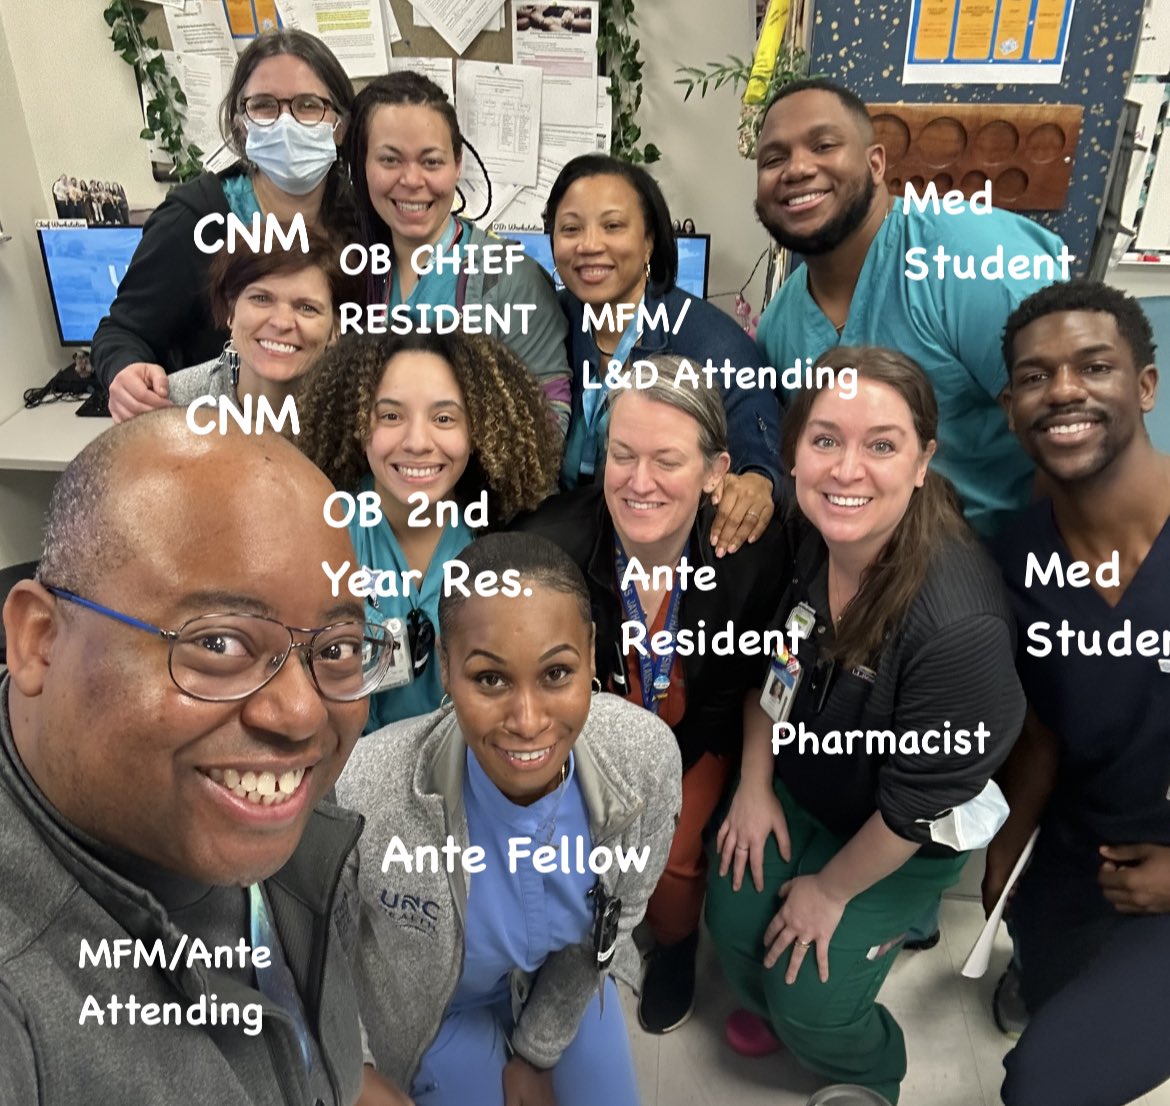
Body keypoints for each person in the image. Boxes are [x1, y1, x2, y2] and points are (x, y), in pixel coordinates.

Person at [0, 409, 400, 1104]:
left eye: (336, 648)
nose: (301, 713)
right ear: (39, 639)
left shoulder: (240, 780)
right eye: (218, 643)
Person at [705, 346, 1025, 1105]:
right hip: (804, 783)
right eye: (825, 440)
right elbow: (770, 669)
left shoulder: (956, 625)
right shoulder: (809, 536)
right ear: (792, 455)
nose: (847, 470)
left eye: (882, 444)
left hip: (900, 836)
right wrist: (753, 786)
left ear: (923, 462)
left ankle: (867, 1067)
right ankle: (774, 1012)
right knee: (734, 912)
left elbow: (918, 804)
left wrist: (831, 892)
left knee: (813, 994)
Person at [335, 532, 683, 1106]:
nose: (527, 721)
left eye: (555, 675)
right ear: (446, 668)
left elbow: (613, 922)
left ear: (592, 655)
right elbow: (314, 943)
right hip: (436, 1013)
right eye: (490, 679)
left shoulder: (645, 761)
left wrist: (537, 1050)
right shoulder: (370, 791)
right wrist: (358, 1069)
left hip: (564, 981)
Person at [515, 361, 789, 1034]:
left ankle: (673, 946)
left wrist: (663, 780)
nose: (639, 482)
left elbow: (743, 686)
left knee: (672, 853)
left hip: (690, 734)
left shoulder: (752, 557)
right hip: (575, 738)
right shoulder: (549, 549)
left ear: (715, 471)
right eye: (622, 455)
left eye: (667, 460)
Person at [987, 281, 1170, 1106]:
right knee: (1055, 1012)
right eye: (1035, 376)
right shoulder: (1018, 557)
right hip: (1077, 861)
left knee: (1043, 1083)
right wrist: (1003, 850)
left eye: (1094, 366)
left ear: (1145, 385)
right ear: (1009, 404)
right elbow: (1042, 733)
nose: (1062, 390)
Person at [753, 77, 1071, 539]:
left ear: (876, 162)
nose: (797, 168)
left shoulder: (970, 259)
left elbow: (1081, 436)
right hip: (861, 573)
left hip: (1001, 567)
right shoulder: (780, 326)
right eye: (774, 159)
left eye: (823, 145)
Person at [295, 331, 562, 731]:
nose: (417, 442)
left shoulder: (509, 542)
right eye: (390, 416)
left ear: (480, 430)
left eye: (443, 418)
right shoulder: (317, 532)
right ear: (354, 423)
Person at [93, 29, 356, 420]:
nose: (286, 122)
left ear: (340, 125)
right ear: (240, 124)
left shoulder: (359, 222)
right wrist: (124, 371)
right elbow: (123, 331)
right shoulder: (195, 218)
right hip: (219, 443)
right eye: (264, 106)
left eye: (308, 105)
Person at [546, 154, 782, 556]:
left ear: (649, 240)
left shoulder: (710, 341)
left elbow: (760, 454)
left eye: (613, 226)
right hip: (563, 544)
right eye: (570, 228)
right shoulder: (549, 322)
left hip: (665, 555)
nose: (589, 245)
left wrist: (759, 480)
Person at [346, 71, 571, 434]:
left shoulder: (510, 280)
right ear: (363, 166)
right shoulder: (352, 273)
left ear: (457, 163)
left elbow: (549, 424)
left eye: (431, 161)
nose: (412, 180)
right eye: (390, 160)